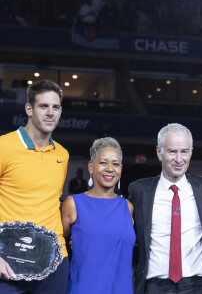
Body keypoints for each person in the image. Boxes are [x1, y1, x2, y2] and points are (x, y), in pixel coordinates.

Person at [129, 123, 202, 294]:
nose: (179, 159)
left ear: (191, 152)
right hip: (155, 286)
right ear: (159, 152)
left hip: (200, 286)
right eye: (172, 151)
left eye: (184, 151)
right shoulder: (139, 190)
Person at [0, 80, 69, 293]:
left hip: (54, 263)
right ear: (29, 109)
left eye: (55, 107)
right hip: (9, 263)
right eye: (43, 106)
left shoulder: (62, 155)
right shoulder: (4, 146)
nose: (50, 113)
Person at [61, 137, 135, 294]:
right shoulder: (73, 204)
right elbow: (52, 246)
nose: (110, 168)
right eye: (103, 162)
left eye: (115, 164)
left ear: (121, 168)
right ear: (91, 166)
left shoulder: (127, 208)